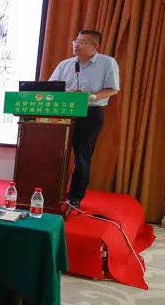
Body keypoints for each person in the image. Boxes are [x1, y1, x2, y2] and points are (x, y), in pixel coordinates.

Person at [47, 29, 120, 207]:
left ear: (95, 47)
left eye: (82, 42)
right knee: (57, 154)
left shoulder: (107, 63)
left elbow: (113, 89)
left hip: (90, 113)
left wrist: (91, 97)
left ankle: (75, 197)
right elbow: (51, 87)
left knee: (82, 156)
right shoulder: (65, 64)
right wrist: (67, 93)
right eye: (75, 42)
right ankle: (51, 192)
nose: (76, 45)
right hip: (64, 113)